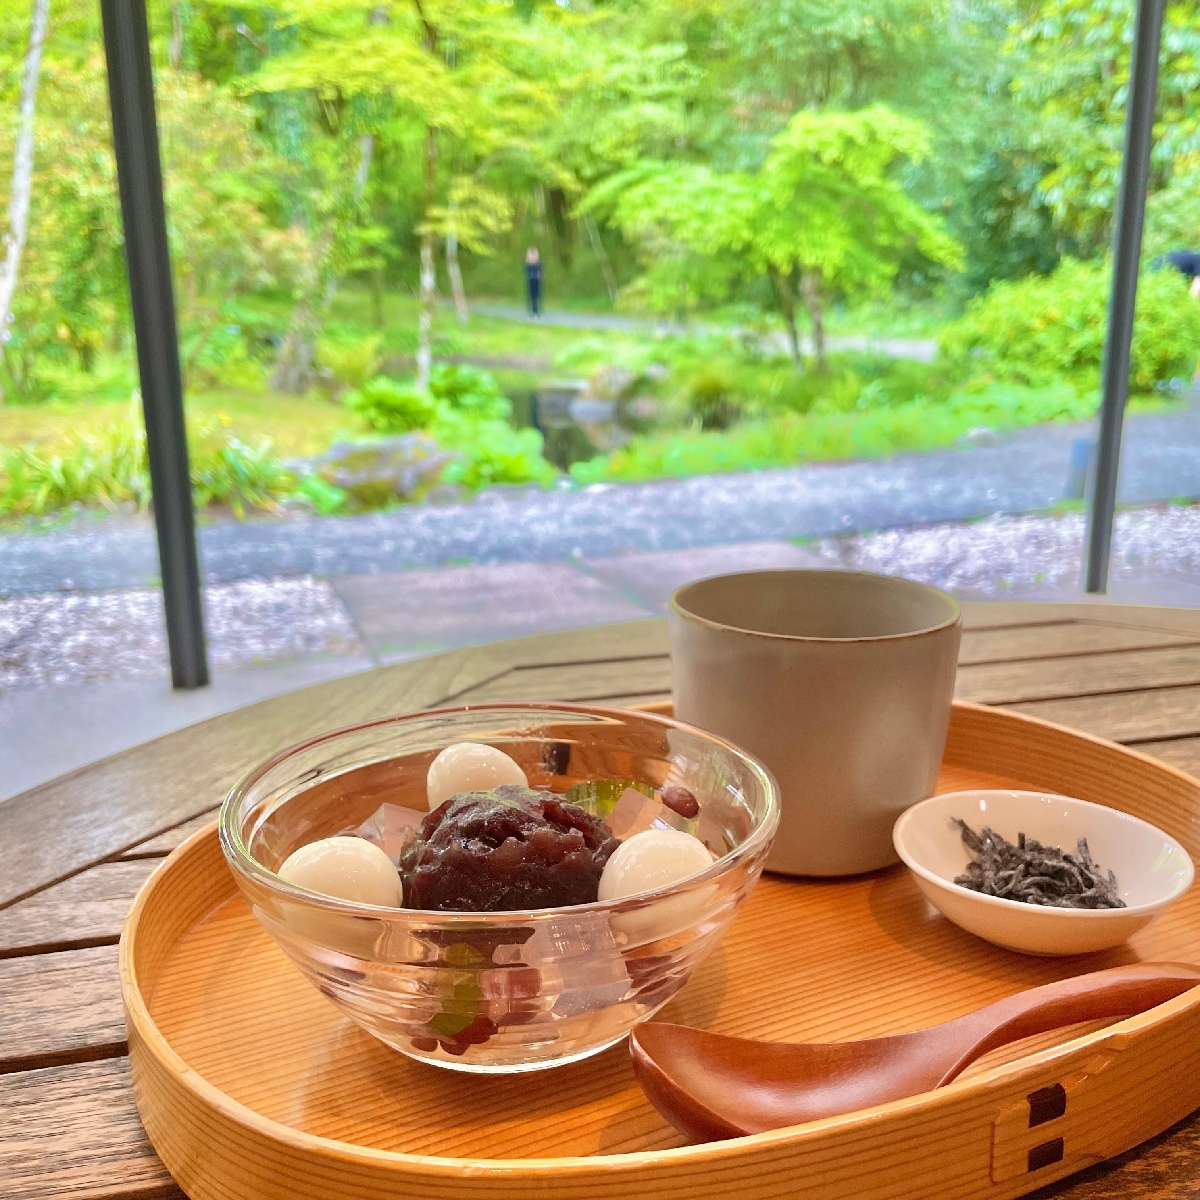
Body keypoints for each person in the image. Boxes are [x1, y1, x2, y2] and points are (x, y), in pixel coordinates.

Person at [525, 246, 542, 317]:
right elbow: (528, 272)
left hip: (537, 282)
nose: (533, 257)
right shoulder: (528, 265)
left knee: (537, 297)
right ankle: (532, 311)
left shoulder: (539, 264)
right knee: (531, 297)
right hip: (531, 282)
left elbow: (540, 272)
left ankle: (536, 311)